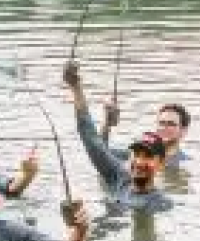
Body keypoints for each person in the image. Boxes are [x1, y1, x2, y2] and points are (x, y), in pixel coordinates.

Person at [64, 61, 174, 211]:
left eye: (148, 157)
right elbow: (91, 140)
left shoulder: (162, 205)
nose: (140, 162)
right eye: (137, 155)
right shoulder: (119, 177)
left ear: (160, 164)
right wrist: (76, 87)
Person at [104, 98, 192, 168]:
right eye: (161, 123)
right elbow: (101, 151)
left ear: (183, 131)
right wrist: (107, 124)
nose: (164, 128)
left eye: (171, 124)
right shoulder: (137, 154)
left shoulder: (186, 164)